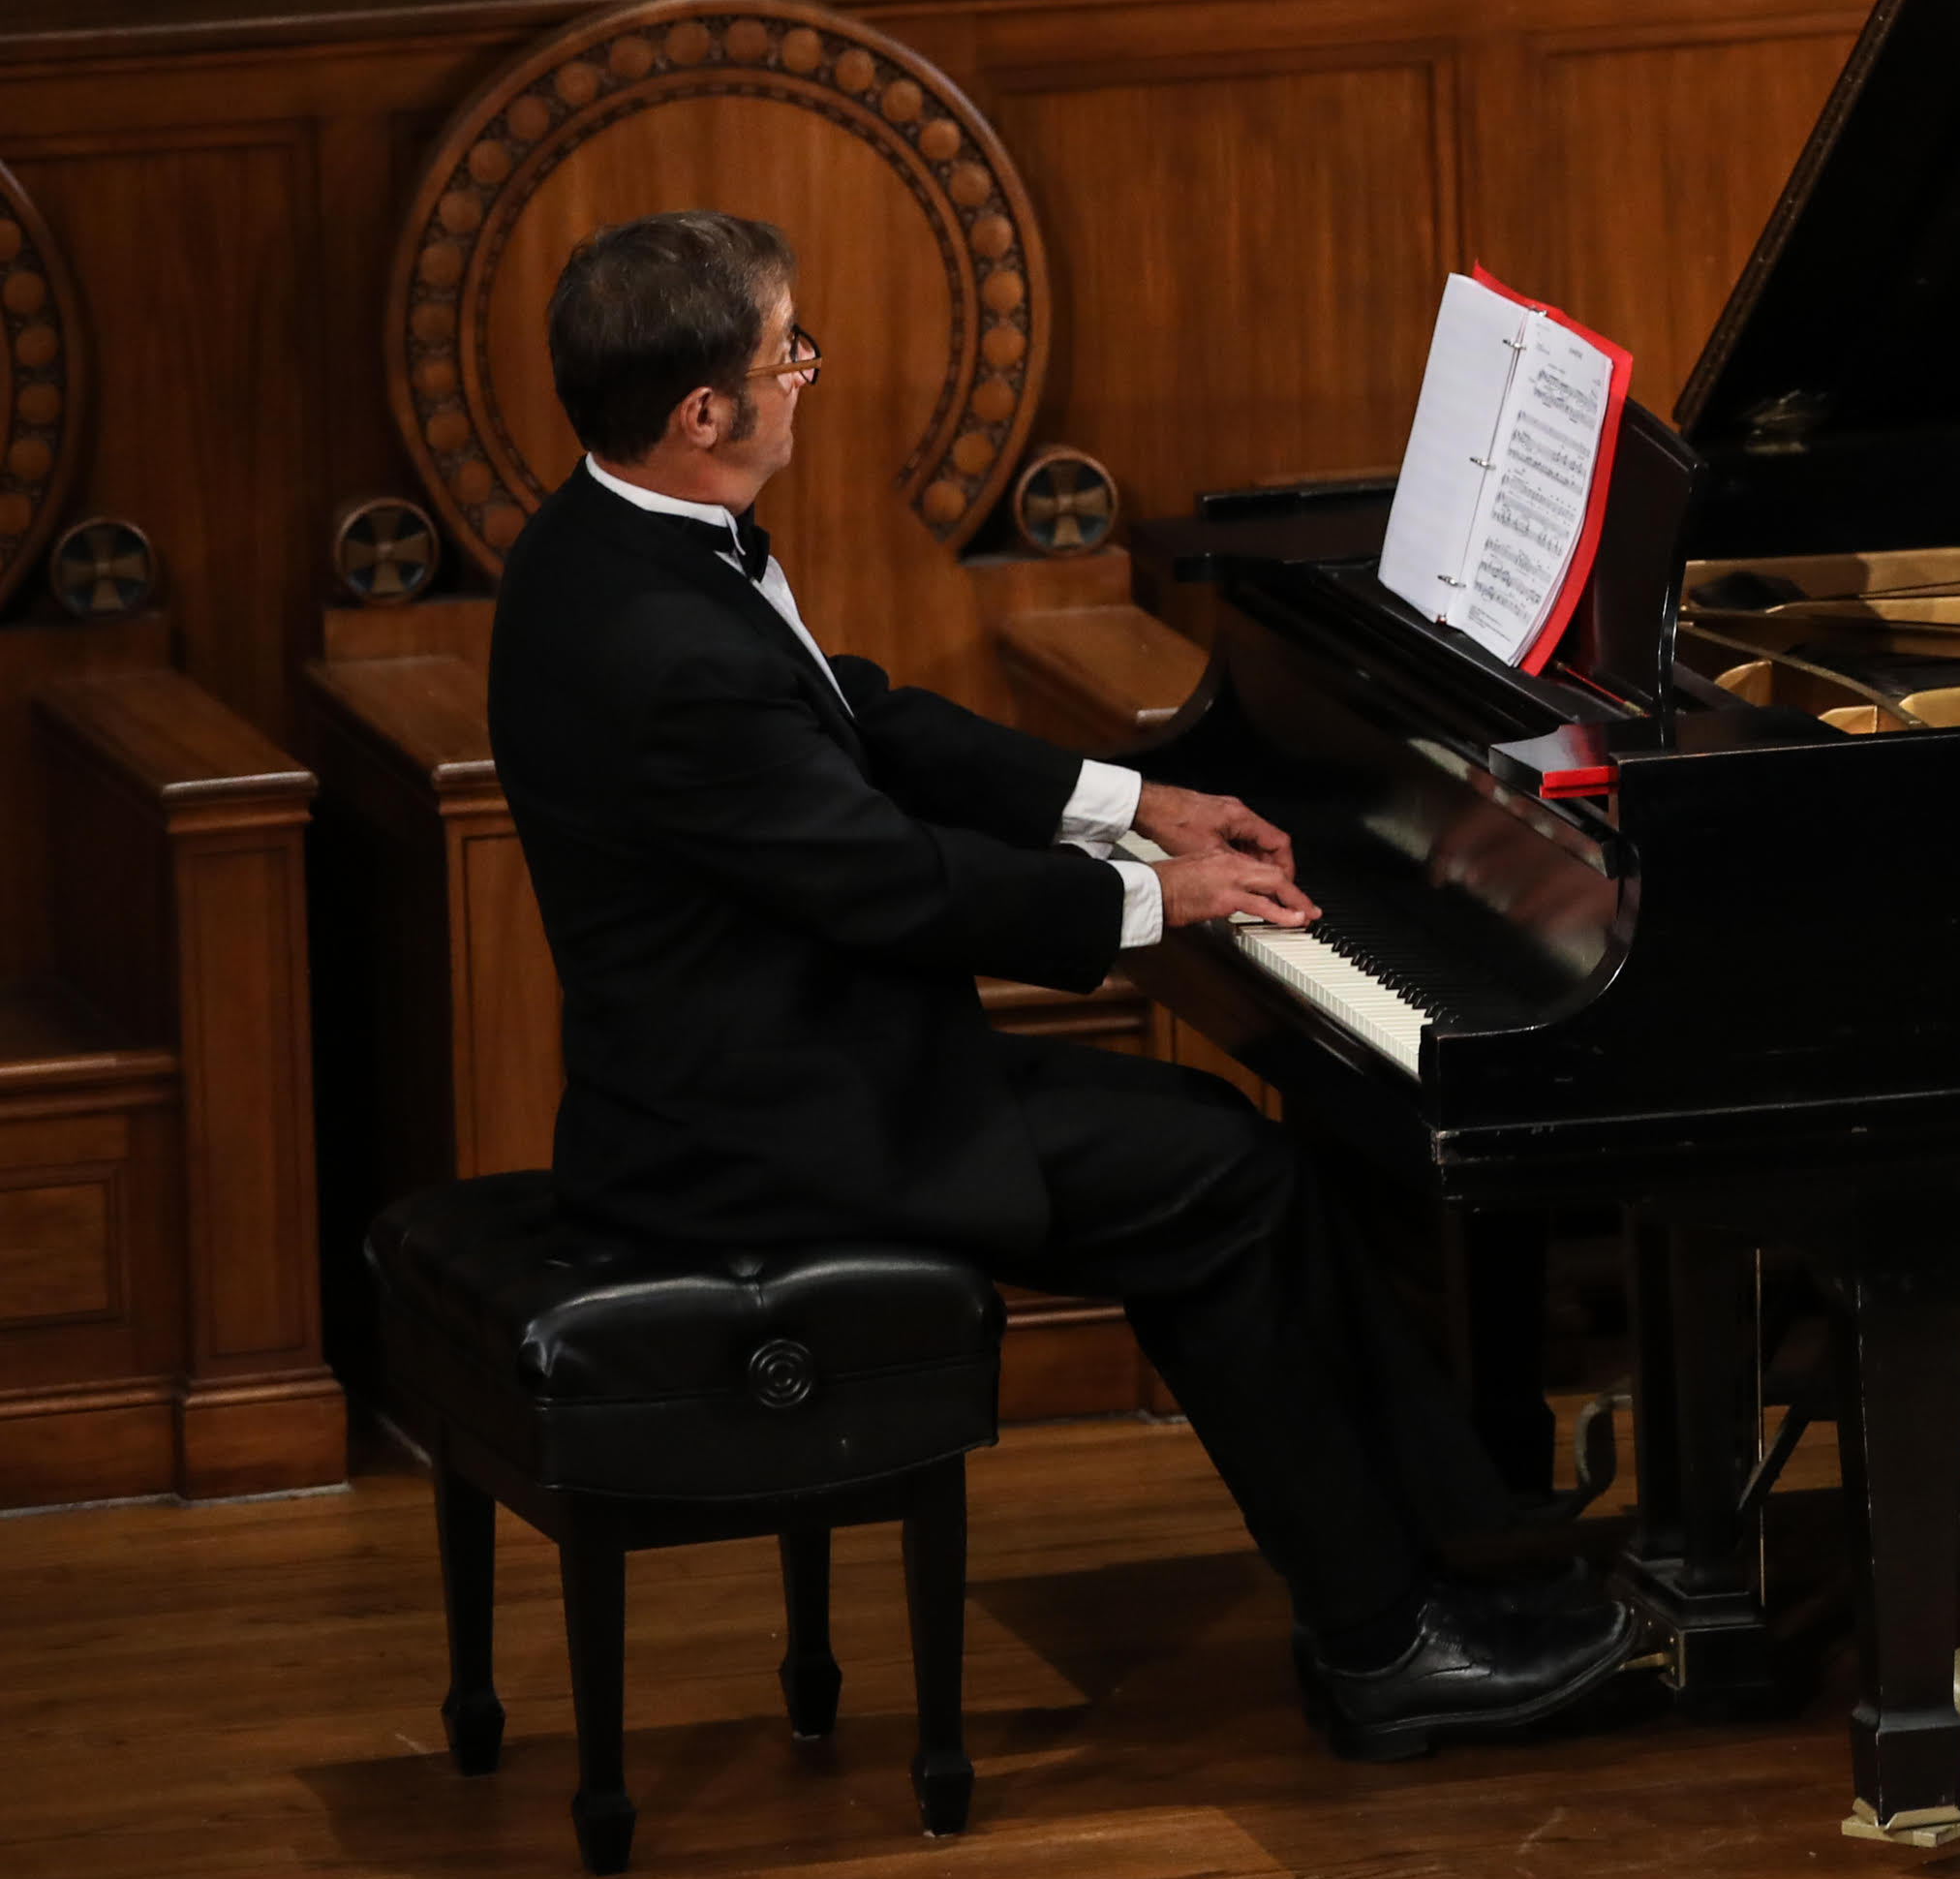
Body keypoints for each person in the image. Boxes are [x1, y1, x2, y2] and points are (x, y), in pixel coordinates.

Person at [485, 208, 1637, 1760]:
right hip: (759, 1129)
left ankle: (1457, 1546)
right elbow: (883, 881)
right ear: (708, 415)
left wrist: (1129, 799)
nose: (808, 375)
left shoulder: (613, 542)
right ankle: (1388, 1640)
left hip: (760, 1071)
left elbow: (863, 721)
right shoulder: (657, 639)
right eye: (789, 354)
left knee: (1220, 1157)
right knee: (1226, 1181)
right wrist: (1154, 903)